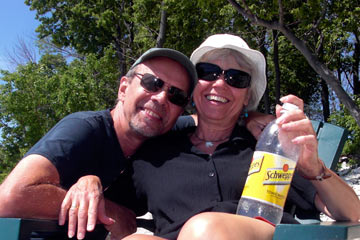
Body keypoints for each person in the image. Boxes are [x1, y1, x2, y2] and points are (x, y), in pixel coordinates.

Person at [120, 34, 360, 240]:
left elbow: (353, 213)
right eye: (208, 72)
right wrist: (89, 182)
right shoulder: (156, 155)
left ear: (248, 96)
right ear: (194, 87)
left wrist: (313, 167)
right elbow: (112, 205)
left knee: (205, 230)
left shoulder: (270, 147)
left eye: (237, 78)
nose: (220, 83)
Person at [0, 48, 198, 240]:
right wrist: (109, 209)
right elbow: (10, 197)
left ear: (180, 111)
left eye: (176, 95)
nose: (161, 98)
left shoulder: (161, 134)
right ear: (123, 89)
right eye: (152, 83)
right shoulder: (83, 129)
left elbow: (208, 121)